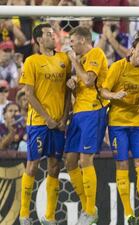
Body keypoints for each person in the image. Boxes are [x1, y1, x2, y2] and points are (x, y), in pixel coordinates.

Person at [100, 35, 139, 225]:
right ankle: (129, 213)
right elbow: (103, 91)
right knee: (122, 164)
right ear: (132, 49)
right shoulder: (118, 67)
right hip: (118, 122)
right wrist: (114, 95)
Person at [19, 23, 71, 225]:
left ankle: (49, 217)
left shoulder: (64, 59)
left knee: (55, 166)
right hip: (39, 123)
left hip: (58, 124)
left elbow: (68, 91)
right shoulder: (32, 61)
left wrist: (64, 117)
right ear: (39, 39)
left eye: (53, 33)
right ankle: (24, 214)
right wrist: (47, 118)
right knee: (32, 165)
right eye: (49, 34)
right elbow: (29, 94)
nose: (53, 37)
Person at [64, 26, 108, 225]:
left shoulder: (95, 53)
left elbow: (90, 81)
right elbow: (82, 85)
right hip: (78, 112)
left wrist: (73, 61)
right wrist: (72, 86)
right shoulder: (81, 60)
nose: (71, 45)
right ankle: (88, 207)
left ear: (82, 40)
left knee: (85, 159)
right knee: (70, 161)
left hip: (93, 110)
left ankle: (90, 211)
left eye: (72, 41)